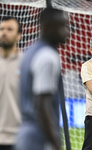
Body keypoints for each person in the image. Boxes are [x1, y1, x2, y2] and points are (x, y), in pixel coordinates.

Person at [14, 8, 69, 150]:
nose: (67, 32)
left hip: (24, 133)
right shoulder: (47, 56)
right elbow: (42, 104)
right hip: (39, 137)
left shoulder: (29, 50)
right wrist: (56, 144)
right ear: (48, 27)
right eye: (62, 26)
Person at [0, 16, 22, 150]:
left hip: (19, 137)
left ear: (19, 36)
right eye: (1, 29)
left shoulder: (26, 63)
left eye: (10, 29)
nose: (4, 32)